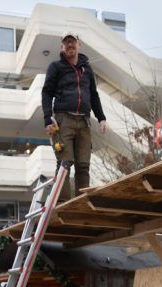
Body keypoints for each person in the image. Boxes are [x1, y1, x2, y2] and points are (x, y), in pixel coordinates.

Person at [42, 31, 107, 201]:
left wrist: (101, 118)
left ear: (79, 44)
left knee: (83, 165)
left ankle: (82, 205)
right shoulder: (56, 67)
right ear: (62, 46)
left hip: (84, 121)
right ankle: (62, 204)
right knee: (64, 163)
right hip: (63, 120)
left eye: (73, 41)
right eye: (66, 42)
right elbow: (47, 92)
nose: (70, 45)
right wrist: (48, 118)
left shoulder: (87, 69)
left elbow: (93, 95)